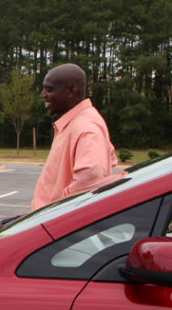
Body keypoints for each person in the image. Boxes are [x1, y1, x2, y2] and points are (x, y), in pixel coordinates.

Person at [31, 63, 117, 209]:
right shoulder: (74, 123)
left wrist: (58, 210)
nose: (43, 95)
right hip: (47, 223)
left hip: (55, 226)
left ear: (72, 91)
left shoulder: (86, 127)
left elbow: (91, 176)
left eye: (49, 89)